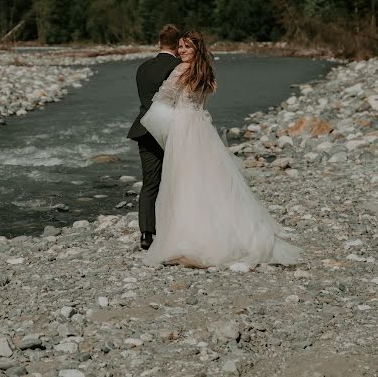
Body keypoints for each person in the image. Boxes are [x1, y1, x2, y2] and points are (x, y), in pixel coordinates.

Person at [140, 30, 300, 270]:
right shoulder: (206, 72)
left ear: (196, 49)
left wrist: (164, 128)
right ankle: (222, 234)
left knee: (185, 182)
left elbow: (162, 99)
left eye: (187, 47)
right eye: (181, 47)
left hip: (183, 128)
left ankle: (189, 240)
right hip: (202, 128)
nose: (181, 51)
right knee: (211, 181)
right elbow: (202, 103)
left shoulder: (181, 70)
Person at [127, 24, 181, 250]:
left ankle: (146, 235)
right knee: (176, 181)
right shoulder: (180, 67)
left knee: (150, 183)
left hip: (145, 129)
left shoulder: (143, 67)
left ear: (159, 43)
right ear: (178, 45)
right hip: (172, 130)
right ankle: (174, 229)